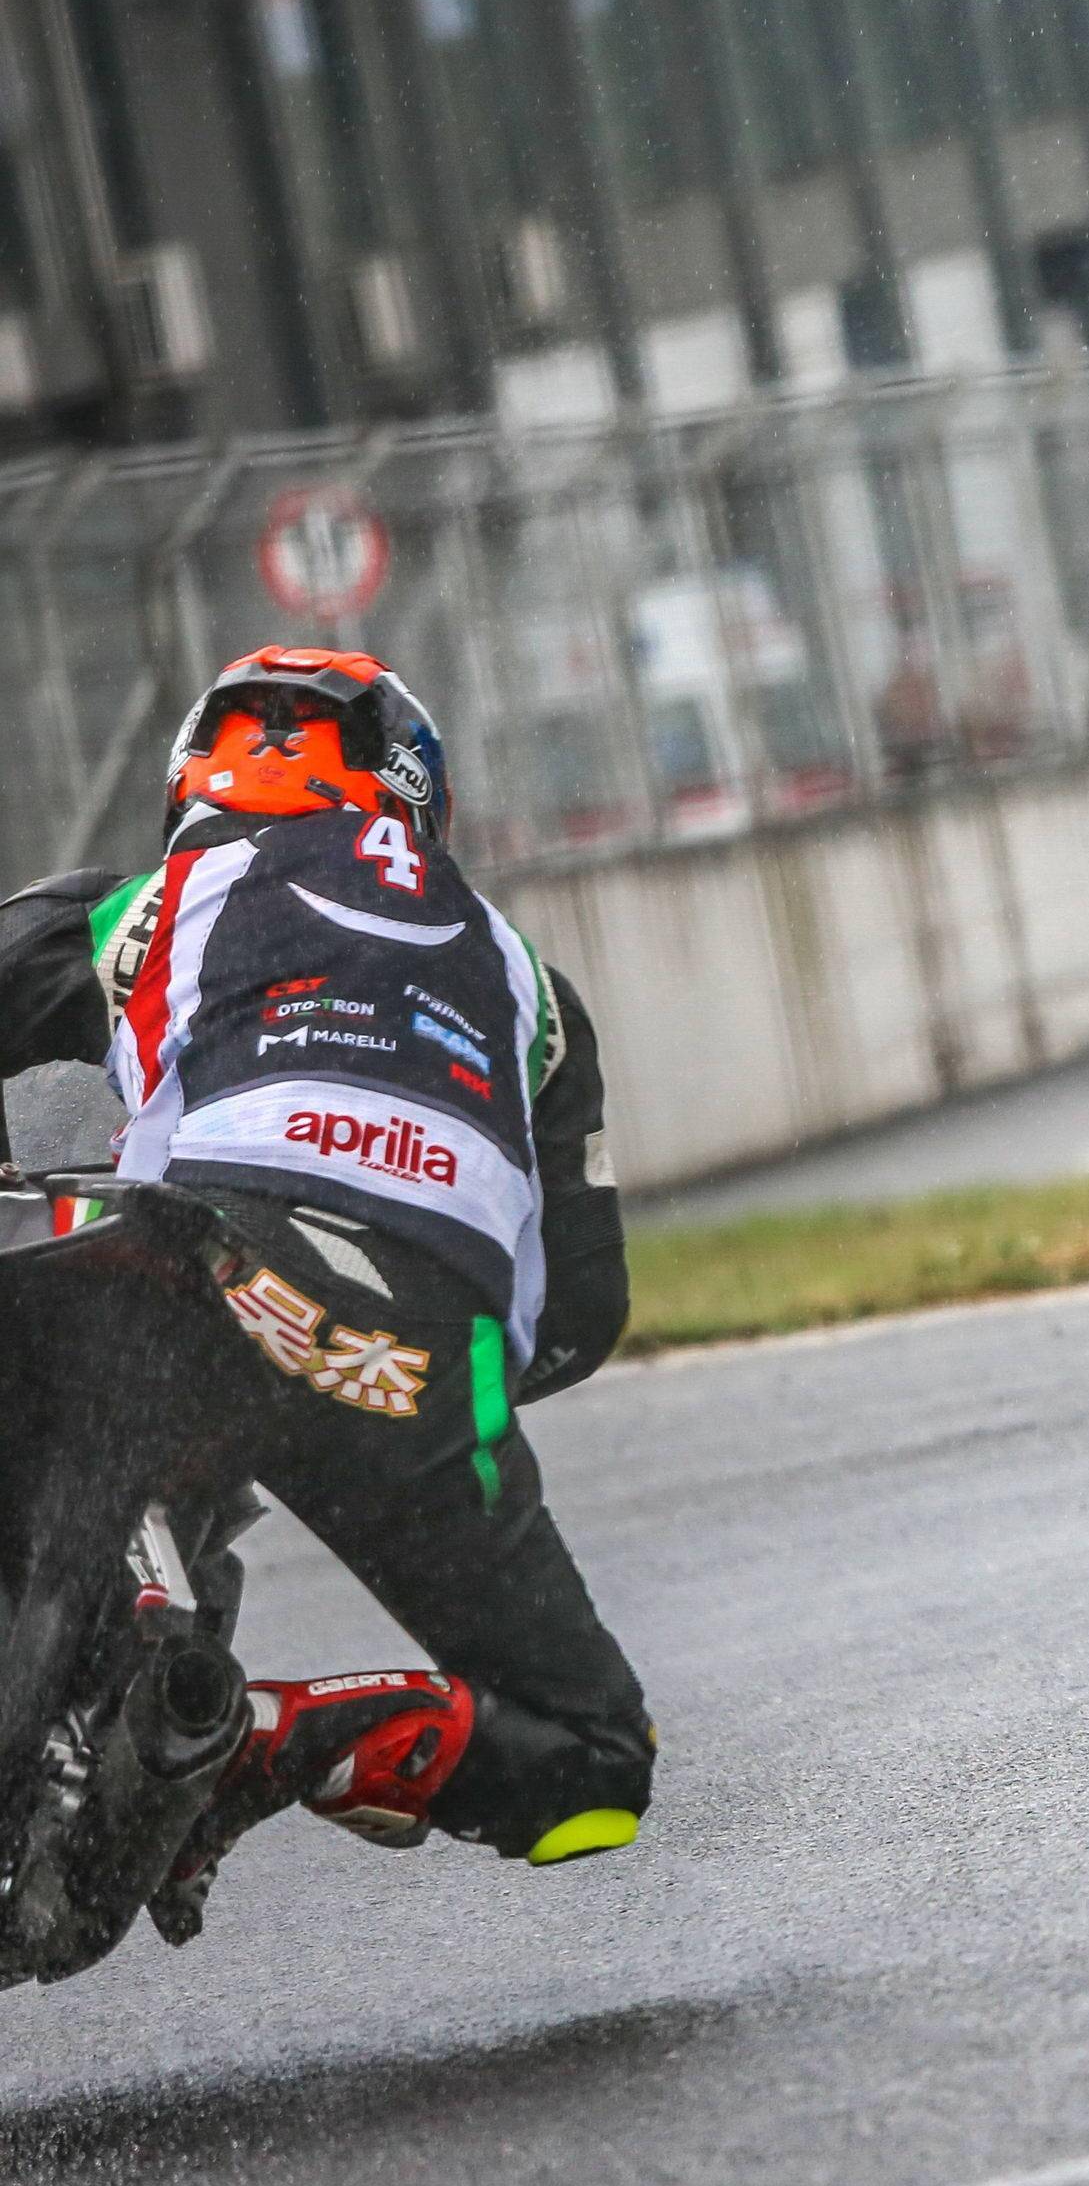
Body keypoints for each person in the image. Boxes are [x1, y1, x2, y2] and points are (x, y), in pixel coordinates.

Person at [0, 646, 649, 1932]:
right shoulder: (532, 990)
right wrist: (402, 1413)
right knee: (592, 1766)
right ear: (415, 798)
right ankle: (272, 1743)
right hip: (402, 1350)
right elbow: (582, 1316)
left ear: (194, 788)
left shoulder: (144, 903)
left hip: (184, 1249)